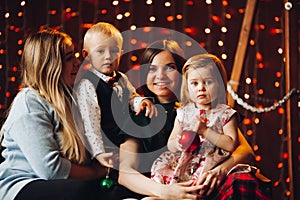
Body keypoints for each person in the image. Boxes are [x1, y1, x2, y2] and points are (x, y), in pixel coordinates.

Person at [118, 40, 272, 199]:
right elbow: (125, 173)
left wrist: (219, 171)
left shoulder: (202, 109)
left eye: (170, 67)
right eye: (152, 69)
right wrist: (166, 192)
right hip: (159, 190)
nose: (160, 75)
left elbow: (245, 151)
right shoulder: (140, 114)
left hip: (202, 185)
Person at [0, 29, 107, 200]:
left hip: (62, 183)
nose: (78, 63)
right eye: (69, 58)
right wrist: (98, 172)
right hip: (22, 184)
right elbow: (52, 170)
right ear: (50, 65)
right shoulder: (29, 101)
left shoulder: (75, 97)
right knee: (77, 191)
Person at [75, 22, 157, 171]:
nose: (108, 57)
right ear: (87, 56)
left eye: (114, 51)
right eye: (100, 51)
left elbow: (131, 97)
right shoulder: (87, 85)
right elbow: (90, 123)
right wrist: (98, 153)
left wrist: (141, 102)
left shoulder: (121, 78)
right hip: (104, 147)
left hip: (124, 142)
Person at [151, 53, 240, 185]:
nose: (201, 88)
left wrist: (205, 131)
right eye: (194, 83)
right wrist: (178, 143)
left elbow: (231, 144)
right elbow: (170, 143)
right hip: (184, 163)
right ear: (187, 87)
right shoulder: (183, 112)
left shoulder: (225, 114)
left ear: (220, 84)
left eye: (208, 82)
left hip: (209, 165)